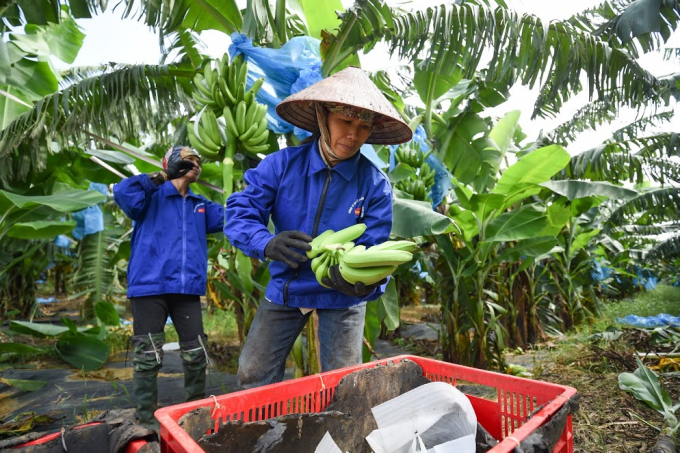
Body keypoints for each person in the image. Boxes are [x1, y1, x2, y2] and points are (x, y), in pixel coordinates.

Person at [224, 66, 413, 389]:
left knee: (345, 384)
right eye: (345, 122)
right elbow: (240, 213)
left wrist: (367, 285)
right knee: (252, 373)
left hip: (343, 295)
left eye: (363, 127)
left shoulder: (374, 185)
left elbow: (375, 246)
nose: (353, 135)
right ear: (323, 117)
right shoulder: (280, 166)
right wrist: (266, 243)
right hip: (287, 286)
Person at [113, 145, 224, 431]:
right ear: (172, 163)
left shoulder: (200, 205)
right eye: (189, 160)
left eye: (199, 162)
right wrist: (161, 176)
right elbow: (122, 193)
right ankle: (147, 420)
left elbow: (233, 217)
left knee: (196, 352)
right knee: (148, 355)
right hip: (150, 287)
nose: (197, 165)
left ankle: (195, 414)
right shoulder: (149, 197)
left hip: (186, 290)